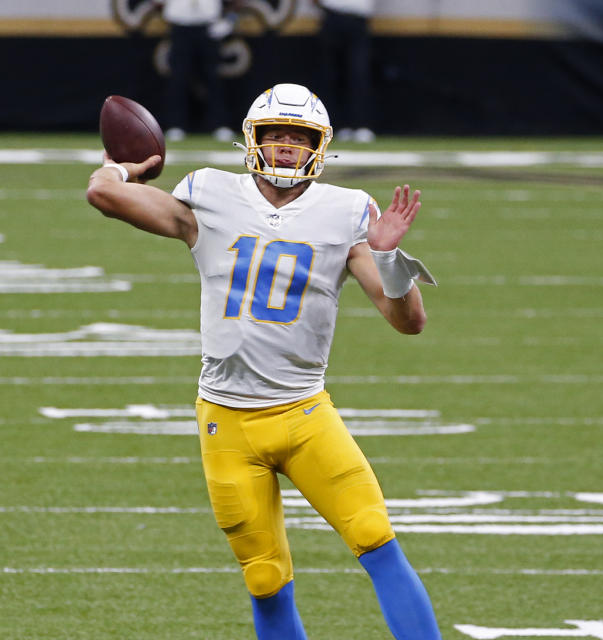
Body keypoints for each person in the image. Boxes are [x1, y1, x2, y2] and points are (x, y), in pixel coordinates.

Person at [86, 82, 442, 640]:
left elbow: (408, 321)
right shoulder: (208, 194)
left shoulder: (349, 212)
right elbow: (103, 196)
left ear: (318, 146)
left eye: (297, 137)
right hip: (225, 421)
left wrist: (388, 255)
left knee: (377, 540)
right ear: (252, 140)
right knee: (265, 578)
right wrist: (123, 167)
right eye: (274, 135)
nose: (283, 147)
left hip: (304, 415)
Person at [155, 0, 235, 142]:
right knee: (178, 78)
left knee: (213, 79)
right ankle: (176, 124)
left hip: (209, 27)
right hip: (180, 27)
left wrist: (230, 19)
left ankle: (219, 125)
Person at [314, 0, 377, 142]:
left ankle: (361, 125)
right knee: (330, 76)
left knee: (359, 75)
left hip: (358, 19)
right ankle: (335, 125)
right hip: (332, 16)